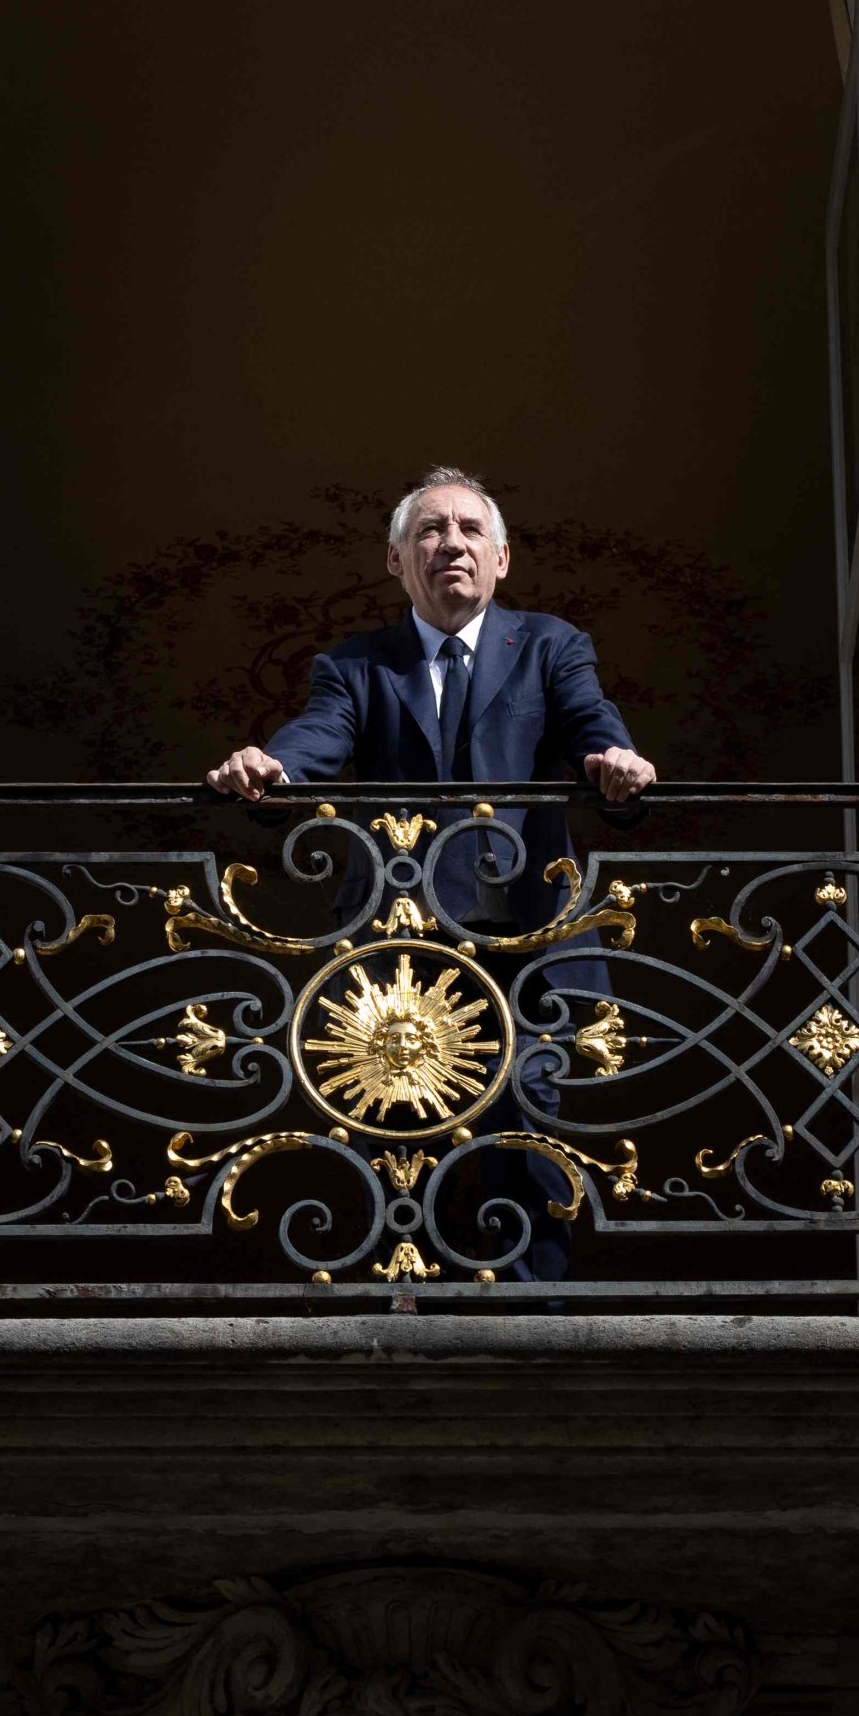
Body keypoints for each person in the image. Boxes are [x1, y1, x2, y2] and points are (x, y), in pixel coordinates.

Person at [207, 468, 656, 1280]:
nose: (451, 543)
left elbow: (593, 724)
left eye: (468, 530)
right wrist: (270, 767)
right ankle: (399, 1313)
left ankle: (533, 1322)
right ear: (395, 559)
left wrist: (614, 761)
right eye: (430, 530)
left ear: (501, 557)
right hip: (398, 940)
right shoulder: (355, 665)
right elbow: (316, 738)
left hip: (529, 934)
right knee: (393, 1123)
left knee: (531, 1135)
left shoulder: (550, 644)